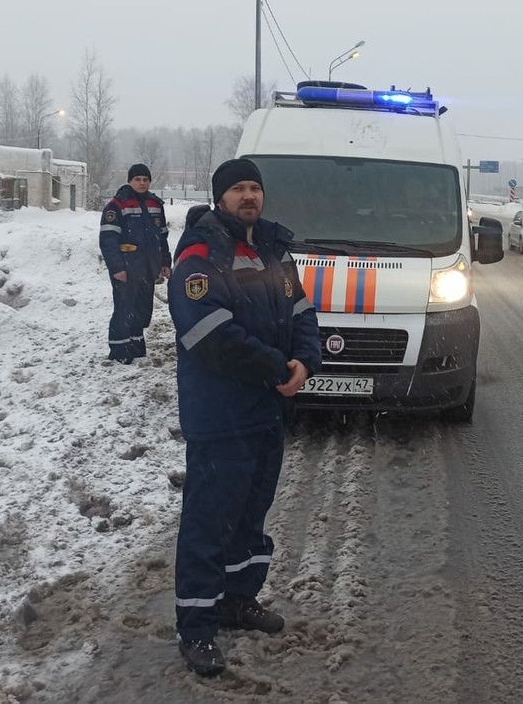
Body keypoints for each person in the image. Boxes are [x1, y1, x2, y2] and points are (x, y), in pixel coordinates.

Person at [167, 158, 322, 678]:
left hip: (266, 412)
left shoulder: (273, 247)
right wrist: (278, 368)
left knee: (252, 516)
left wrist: (307, 361)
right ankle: (196, 627)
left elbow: (301, 311)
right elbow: (207, 333)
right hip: (220, 414)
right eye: (238, 188)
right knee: (210, 522)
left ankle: (237, 599)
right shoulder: (201, 252)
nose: (249, 195)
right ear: (220, 197)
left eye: (255, 187)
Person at [98, 164, 170, 363]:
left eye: (145, 180)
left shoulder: (155, 204)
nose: (142, 183)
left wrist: (165, 262)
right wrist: (117, 268)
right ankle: (120, 352)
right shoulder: (117, 205)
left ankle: (136, 348)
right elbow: (108, 240)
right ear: (130, 181)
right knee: (124, 309)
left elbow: (162, 237)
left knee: (142, 310)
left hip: (148, 267)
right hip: (127, 267)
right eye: (138, 179)